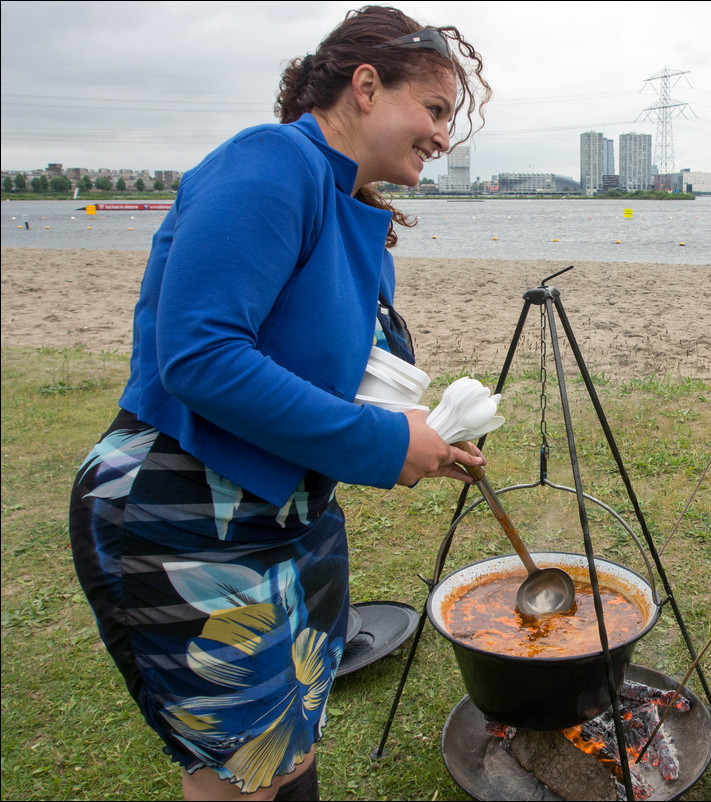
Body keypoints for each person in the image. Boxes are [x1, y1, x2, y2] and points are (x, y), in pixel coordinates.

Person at [68, 7, 491, 800]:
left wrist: (423, 434)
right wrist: (380, 443)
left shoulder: (356, 209)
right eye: (434, 110)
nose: (443, 137)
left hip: (290, 518)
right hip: (185, 509)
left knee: (282, 755)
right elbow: (201, 356)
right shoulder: (271, 163)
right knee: (245, 778)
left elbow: (317, 377)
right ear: (366, 86)